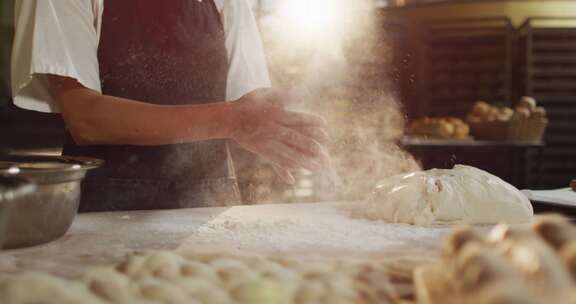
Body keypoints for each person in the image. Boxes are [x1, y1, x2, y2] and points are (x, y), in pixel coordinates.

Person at [11, 0, 330, 211]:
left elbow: (246, 99)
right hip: (107, 211)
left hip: (211, 205)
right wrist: (234, 120)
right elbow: (86, 118)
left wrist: (278, 127)